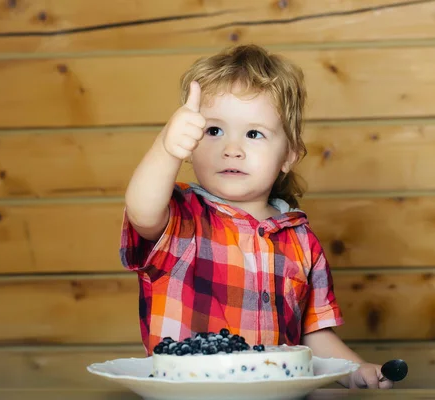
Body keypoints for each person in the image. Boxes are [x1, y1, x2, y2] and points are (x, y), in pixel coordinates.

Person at [120, 44, 393, 389]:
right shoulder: (182, 218)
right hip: (191, 393)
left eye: (253, 134)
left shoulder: (300, 240)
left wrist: (354, 370)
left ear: (288, 155)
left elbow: (313, 334)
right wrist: (166, 147)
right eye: (213, 131)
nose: (232, 148)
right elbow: (142, 211)